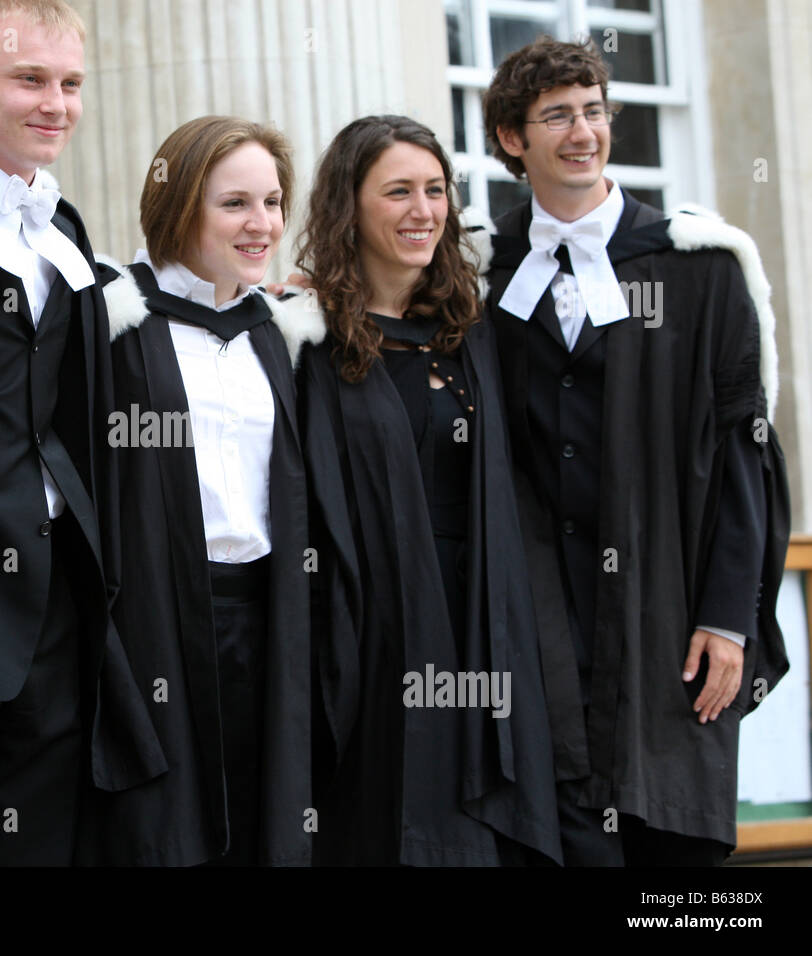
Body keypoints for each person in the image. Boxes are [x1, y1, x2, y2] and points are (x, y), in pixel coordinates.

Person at [482, 36, 789, 865]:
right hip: (540, 617)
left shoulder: (704, 269)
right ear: (514, 139)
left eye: (594, 111)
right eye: (557, 117)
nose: (584, 132)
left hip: (666, 606)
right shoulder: (481, 274)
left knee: (671, 847)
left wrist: (728, 618)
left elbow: (742, 454)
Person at [0, 0, 163, 865]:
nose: (55, 104)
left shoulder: (61, 224)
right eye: (30, 79)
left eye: (70, 84)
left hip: (57, 581)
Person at [295, 115, 562, 865]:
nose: (423, 210)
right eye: (399, 192)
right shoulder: (308, 337)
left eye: (436, 190)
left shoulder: (474, 330)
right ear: (351, 205)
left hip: (479, 610)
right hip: (372, 621)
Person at [88, 116, 320, 866]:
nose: (262, 225)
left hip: (267, 614)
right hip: (159, 613)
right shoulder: (117, 325)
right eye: (235, 204)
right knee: (167, 829)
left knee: (264, 818)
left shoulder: (278, 332)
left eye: (273, 202)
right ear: (181, 205)